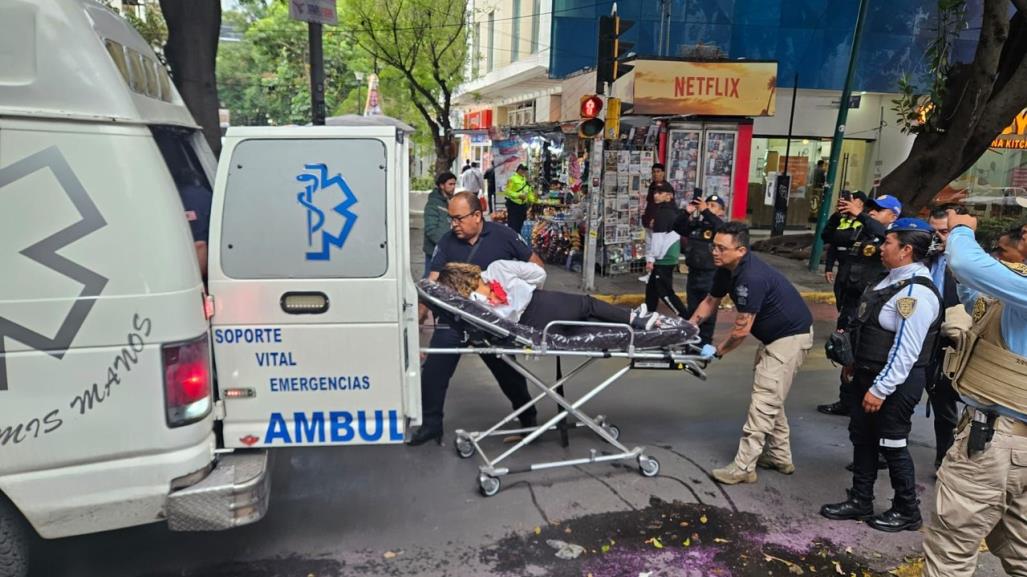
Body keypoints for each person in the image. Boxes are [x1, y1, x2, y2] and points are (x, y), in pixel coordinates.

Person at [921, 209, 1027, 576]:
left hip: (998, 440)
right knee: (1019, 550)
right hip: (1013, 445)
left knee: (950, 551)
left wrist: (962, 231)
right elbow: (978, 301)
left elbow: (967, 265)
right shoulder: (1017, 290)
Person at [820, 218, 942, 533]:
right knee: (863, 438)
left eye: (888, 242)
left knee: (892, 443)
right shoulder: (888, 280)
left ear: (906, 250)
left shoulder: (915, 294)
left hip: (893, 384)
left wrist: (881, 389)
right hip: (867, 374)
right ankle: (861, 499)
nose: (881, 247)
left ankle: (907, 510)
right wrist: (851, 363)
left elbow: (906, 352)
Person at [409, 191, 546, 446]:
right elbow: (433, 282)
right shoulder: (448, 242)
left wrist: (522, 303)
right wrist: (416, 320)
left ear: (476, 216)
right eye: (451, 219)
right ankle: (431, 427)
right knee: (434, 373)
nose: (454, 225)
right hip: (455, 320)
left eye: (458, 219)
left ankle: (529, 423)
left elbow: (536, 267)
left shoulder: (503, 236)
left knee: (509, 374)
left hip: (491, 323)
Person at [688, 222, 814, 484]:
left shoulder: (751, 277)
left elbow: (740, 332)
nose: (715, 252)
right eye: (715, 246)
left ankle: (744, 467)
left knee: (764, 400)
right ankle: (780, 456)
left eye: (722, 248)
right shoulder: (726, 269)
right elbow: (711, 301)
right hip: (775, 338)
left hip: (790, 339)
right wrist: (690, 326)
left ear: (741, 250)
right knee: (770, 395)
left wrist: (717, 352)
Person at [817, 193, 901, 417]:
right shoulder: (862, 231)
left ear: (893, 215)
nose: (871, 211)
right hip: (850, 300)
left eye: (878, 209)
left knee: (864, 354)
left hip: (870, 306)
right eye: (870, 208)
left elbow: (883, 234)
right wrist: (838, 216)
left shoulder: (893, 236)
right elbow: (829, 237)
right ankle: (846, 401)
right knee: (845, 349)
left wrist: (860, 215)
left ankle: (866, 402)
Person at [436, 260, 660, 330]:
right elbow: (538, 273)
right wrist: (528, 288)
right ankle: (635, 320)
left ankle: (628, 320)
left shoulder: (472, 305)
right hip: (541, 302)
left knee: (583, 327)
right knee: (587, 305)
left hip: (531, 326)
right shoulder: (496, 269)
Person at [925, 207, 962, 468]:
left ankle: (944, 457)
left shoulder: (968, 264)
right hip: (920, 336)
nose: (938, 237)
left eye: (944, 231)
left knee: (944, 403)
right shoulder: (922, 258)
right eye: (933, 231)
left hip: (949, 342)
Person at [675, 193, 726, 345]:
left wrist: (705, 211)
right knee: (693, 309)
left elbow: (721, 228)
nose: (708, 208)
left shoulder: (720, 228)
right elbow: (677, 227)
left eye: (713, 206)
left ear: (721, 211)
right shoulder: (697, 224)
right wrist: (686, 212)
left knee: (708, 312)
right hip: (693, 274)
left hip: (711, 275)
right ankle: (692, 342)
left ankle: (704, 343)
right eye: (707, 204)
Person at [641, 182, 688, 318]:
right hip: (668, 255)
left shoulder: (663, 213)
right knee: (651, 289)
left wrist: (651, 258)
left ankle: (686, 317)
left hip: (663, 257)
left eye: (660, 193)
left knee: (665, 292)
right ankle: (648, 314)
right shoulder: (673, 211)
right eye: (655, 192)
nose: (656, 195)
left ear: (669, 196)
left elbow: (658, 238)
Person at [422, 171, 457, 278]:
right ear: (442, 185)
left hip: (446, 250)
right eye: (450, 184)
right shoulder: (433, 204)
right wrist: (445, 243)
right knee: (429, 279)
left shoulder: (451, 201)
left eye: (454, 184)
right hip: (434, 250)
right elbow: (431, 230)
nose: (453, 187)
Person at [503, 164, 537, 238]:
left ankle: (517, 239)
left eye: (525, 171)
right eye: (523, 170)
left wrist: (533, 200)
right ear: (519, 170)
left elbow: (529, 191)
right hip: (513, 205)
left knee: (520, 225)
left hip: (523, 206)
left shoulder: (525, 180)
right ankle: (512, 240)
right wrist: (518, 195)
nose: (524, 172)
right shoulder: (512, 179)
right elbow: (507, 191)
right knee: (513, 225)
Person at [642, 163, 670, 227]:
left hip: (658, 223)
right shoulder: (652, 185)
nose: (656, 174)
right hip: (648, 220)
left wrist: (655, 219)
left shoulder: (666, 187)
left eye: (658, 171)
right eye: (654, 172)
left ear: (663, 173)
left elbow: (665, 206)